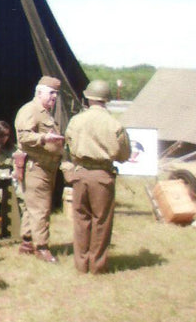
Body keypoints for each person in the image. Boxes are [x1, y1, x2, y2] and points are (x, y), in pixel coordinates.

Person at [63, 80, 131, 274]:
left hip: (80, 173)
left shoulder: (76, 121)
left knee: (81, 220)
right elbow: (124, 155)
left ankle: (81, 264)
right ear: (106, 99)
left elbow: (68, 145)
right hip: (102, 176)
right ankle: (97, 266)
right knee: (101, 222)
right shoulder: (114, 124)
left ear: (88, 97)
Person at [14, 76, 65, 263]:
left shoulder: (45, 112)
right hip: (36, 166)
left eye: (56, 94)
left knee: (32, 206)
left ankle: (27, 243)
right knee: (41, 209)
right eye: (51, 92)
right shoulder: (30, 110)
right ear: (39, 91)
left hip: (46, 167)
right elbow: (24, 136)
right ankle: (42, 248)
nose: (54, 97)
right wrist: (44, 138)